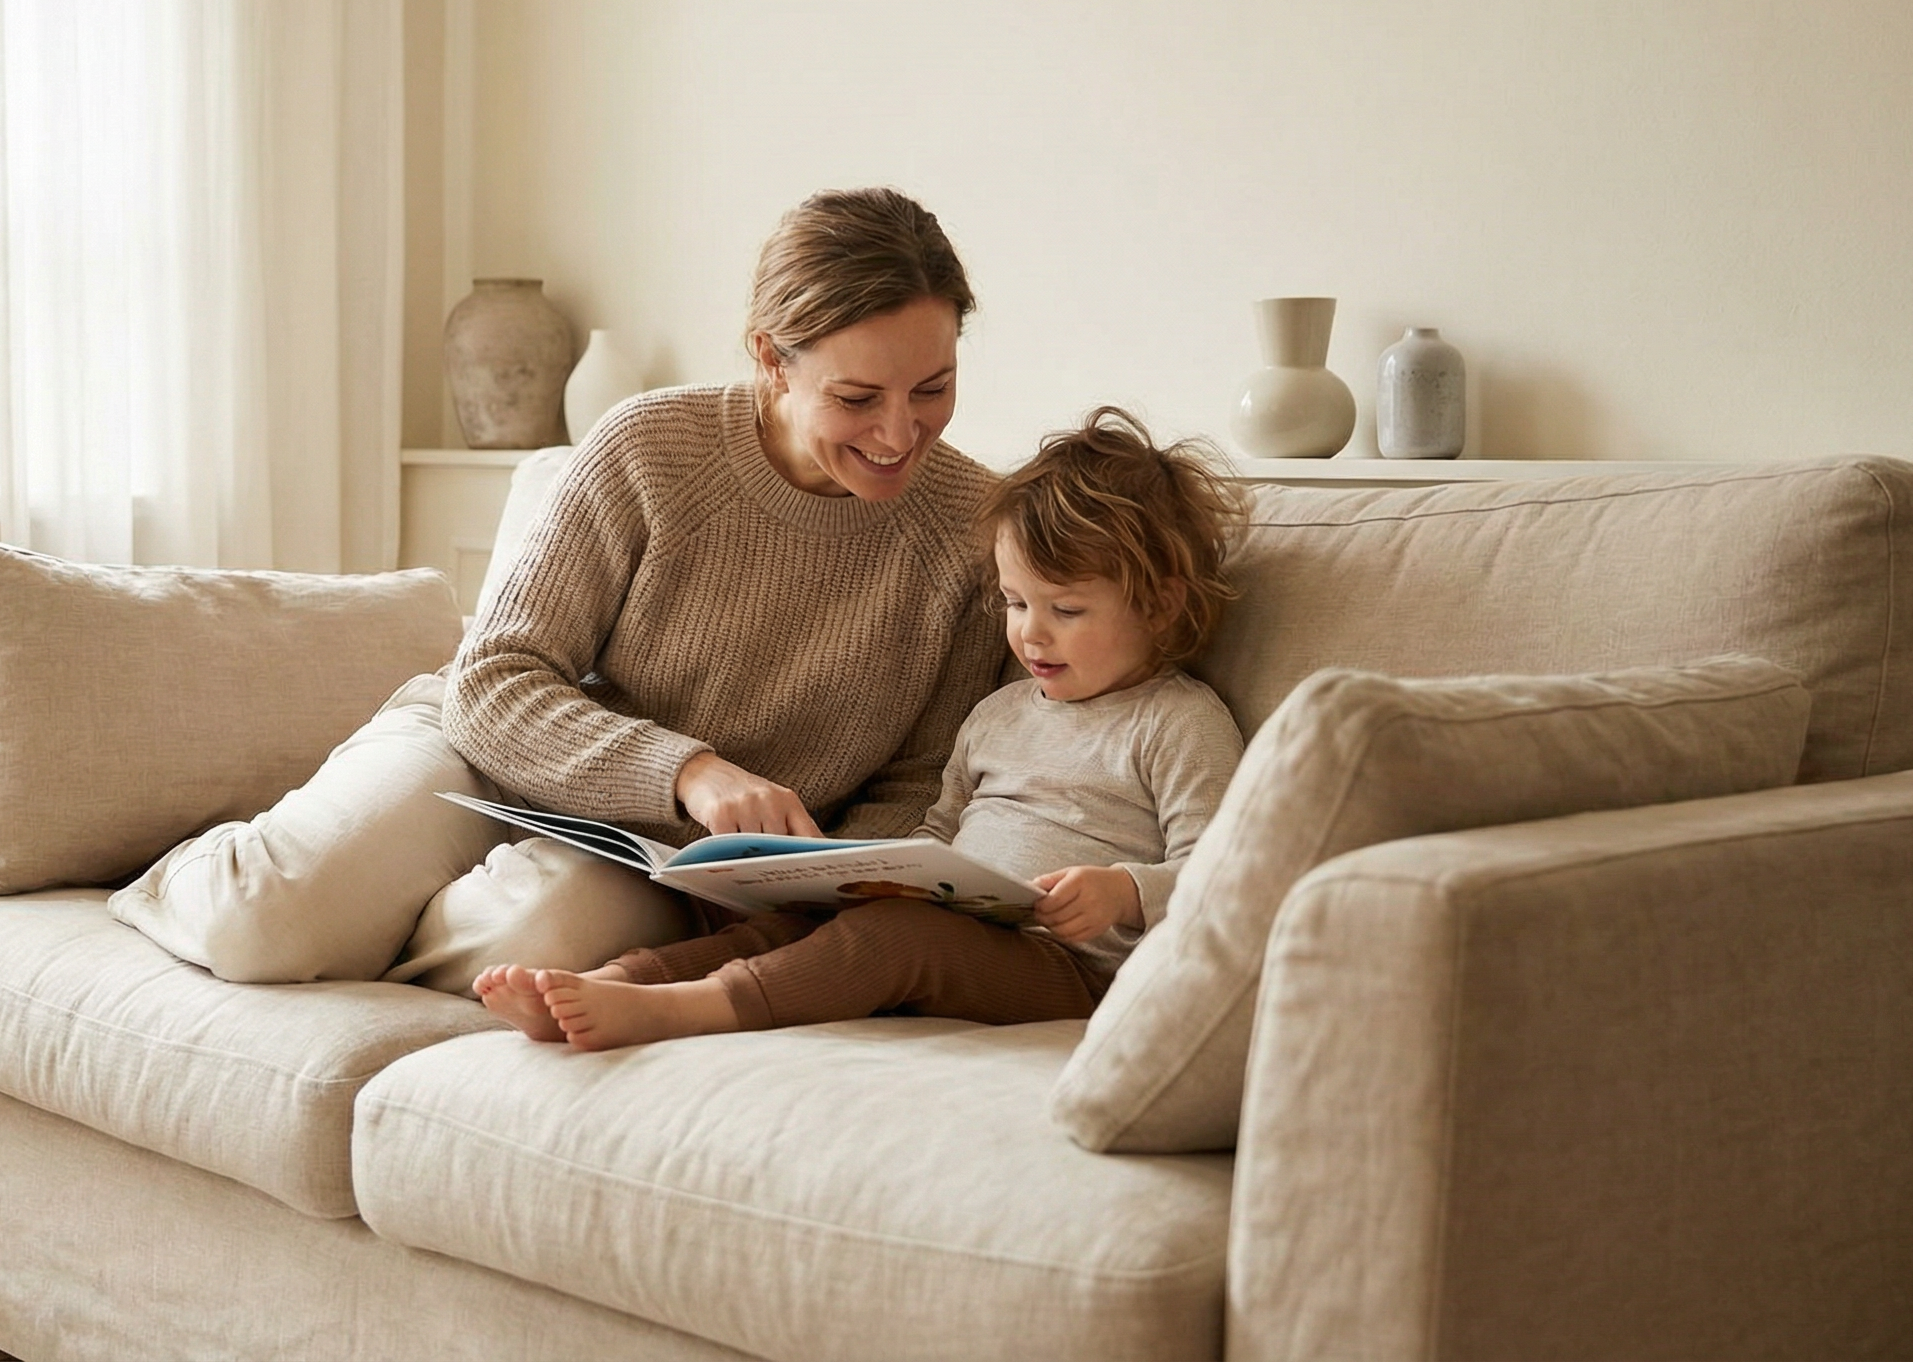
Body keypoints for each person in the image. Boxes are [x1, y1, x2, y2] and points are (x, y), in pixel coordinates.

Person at [115, 187, 1009, 993]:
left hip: (664, 860)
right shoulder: (652, 448)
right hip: (485, 752)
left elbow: (918, 782)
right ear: (771, 359)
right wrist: (689, 770)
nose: (902, 431)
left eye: (934, 387)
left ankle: (360, 926)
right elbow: (496, 679)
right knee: (265, 924)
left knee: (535, 943)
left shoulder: (973, 530)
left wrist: (808, 886)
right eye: (858, 398)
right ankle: (217, 877)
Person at [476, 406, 1249, 1047]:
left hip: (1076, 969)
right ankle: (622, 980)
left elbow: (1228, 875)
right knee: (810, 921)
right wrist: (871, 875)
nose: (1031, 636)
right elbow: (935, 829)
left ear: (1161, 603)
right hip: (968, 930)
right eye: (1016, 603)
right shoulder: (999, 714)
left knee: (900, 940)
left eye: (1067, 610)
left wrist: (1124, 892)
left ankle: (685, 1011)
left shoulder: (1177, 724)